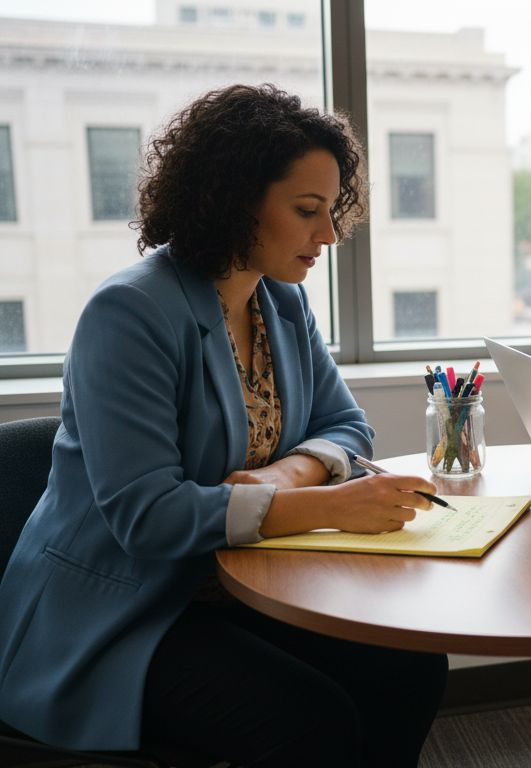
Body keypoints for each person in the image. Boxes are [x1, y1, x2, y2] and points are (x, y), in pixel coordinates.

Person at [0, 84, 446, 766]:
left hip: (229, 587)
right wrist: (322, 505)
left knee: (410, 665)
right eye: (307, 211)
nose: (327, 235)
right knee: (310, 723)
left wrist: (285, 472)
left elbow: (346, 425)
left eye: (331, 212)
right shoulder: (130, 315)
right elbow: (147, 517)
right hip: (121, 614)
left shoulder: (280, 303)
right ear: (236, 201)